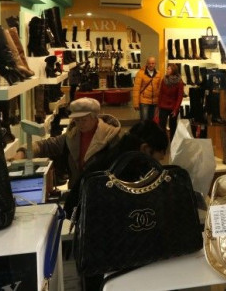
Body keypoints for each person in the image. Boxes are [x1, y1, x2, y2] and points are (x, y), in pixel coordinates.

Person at [66, 120, 169, 291]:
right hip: (119, 264)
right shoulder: (134, 174)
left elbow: (71, 207)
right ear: (144, 149)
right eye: (156, 158)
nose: (157, 165)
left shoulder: (103, 164)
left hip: (95, 260)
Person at [32, 97, 120, 190]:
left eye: (84, 120)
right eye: (77, 120)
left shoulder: (110, 137)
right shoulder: (72, 136)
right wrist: (25, 150)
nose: (80, 124)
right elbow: (48, 145)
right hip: (76, 192)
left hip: (101, 192)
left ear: (95, 117)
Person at [157, 62, 184, 140]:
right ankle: (163, 142)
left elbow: (180, 96)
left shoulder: (179, 82)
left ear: (173, 70)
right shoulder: (164, 80)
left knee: (173, 126)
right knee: (161, 126)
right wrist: (158, 106)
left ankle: (173, 142)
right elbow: (161, 93)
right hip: (163, 106)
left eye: (168, 69)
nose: (167, 70)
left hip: (173, 107)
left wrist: (176, 109)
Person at [132, 56, 162, 122]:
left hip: (155, 102)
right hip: (144, 101)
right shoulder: (140, 73)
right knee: (144, 121)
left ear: (155, 64)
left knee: (153, 122)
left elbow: (160, 88)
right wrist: (136, 103)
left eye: (153, 63)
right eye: (149, 63)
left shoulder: (159, 74)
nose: (151, 65)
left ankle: (151, 132)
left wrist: (160, 101)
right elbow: (136, 89)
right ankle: (144, 132)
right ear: (147, 63)